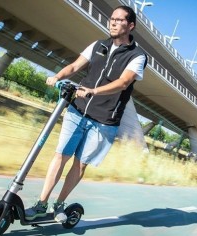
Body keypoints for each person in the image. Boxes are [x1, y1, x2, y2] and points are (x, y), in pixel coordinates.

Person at [25, 5, 147, 223]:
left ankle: (59, 204)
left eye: (119, 20)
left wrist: (93, 91)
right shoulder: (98, 44)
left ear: (130, 26)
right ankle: (41, 204)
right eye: (112, 19)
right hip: (77, 110)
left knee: (80, 164)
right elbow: (74, 67)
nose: (113, 22)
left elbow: (124, 82)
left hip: (105, 120)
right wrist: (57, 76)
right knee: (61, 155)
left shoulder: (137, 56)